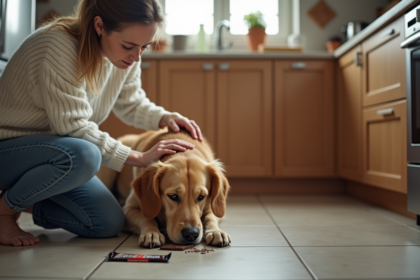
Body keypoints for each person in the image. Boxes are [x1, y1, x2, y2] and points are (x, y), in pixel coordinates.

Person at [0, 0, 202, 247]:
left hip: (53, 156)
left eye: (144, 47)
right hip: (9, 151)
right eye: (129, 46)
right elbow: (73, 127)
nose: (137, 56)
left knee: (107, 223)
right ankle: (4, 212)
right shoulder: (57, 46)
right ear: (99, 26)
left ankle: (21, 197)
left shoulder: (123, 57)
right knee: (84, 154)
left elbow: (131, 102)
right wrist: (138, 157)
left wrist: (164, 117)